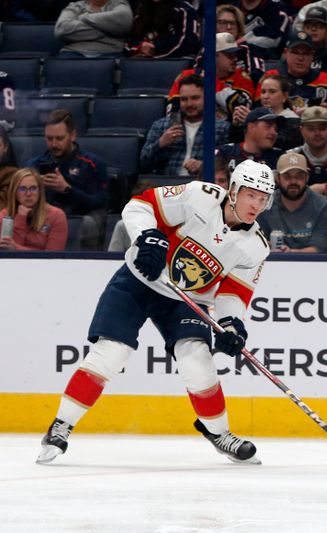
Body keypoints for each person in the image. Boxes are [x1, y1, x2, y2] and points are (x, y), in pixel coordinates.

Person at [37, 159, 275, 465]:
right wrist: (146, 237)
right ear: (233, 190)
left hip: (186, 300)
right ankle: (60, 426)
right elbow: (139, 206)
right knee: (111, 353)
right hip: (139, 279)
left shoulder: (256, 246)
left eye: (262, 198)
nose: (255, 204)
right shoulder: (198, 195)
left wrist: (231, 325)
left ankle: (220, 434)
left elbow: (234, 292)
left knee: (197, 360)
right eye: (250, 194)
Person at [25, 109, 109, 250]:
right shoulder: (34, 165)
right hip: (42, 219)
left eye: (59, 138)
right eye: (49, 139)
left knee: (89, 223)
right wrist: (34, 187)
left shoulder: (92, 163)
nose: (53, 144)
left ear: (72, 136)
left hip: (78, 217)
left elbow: (99, 203)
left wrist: (67, 189)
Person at [140, 74, 231, 177]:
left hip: (201, 186)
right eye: (184, 99)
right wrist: (160, 143)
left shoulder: (222, 128)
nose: (189, 104)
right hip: (167, 187)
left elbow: (229, 165)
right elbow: (143, 163)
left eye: (195, 98)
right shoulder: (161, 126)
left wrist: (205, 166)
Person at [167, 32, 257, 124]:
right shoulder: (186, 76)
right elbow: (174, 111)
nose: (235, 59)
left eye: (235, 54)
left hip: (226, 132)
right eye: (229, 55)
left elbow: (240, 108)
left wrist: (209, 80)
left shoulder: (242, 77)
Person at [256, 151, 327, 253]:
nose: (293, 181)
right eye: (287, 176)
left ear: (307, 178)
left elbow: (319, 248)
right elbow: (255, 243)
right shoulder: (264, 204)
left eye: (299, 176)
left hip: (312, 266)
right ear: (278, 179)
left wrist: (290, 254)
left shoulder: (323, 206)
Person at [256, 31, 327, 111]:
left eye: (306, 53)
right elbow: (256, 109)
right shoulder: (270, 77)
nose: (300, 58)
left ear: (312, 55)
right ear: (286, 53)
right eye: (295, 52)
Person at [0, 167, 67, 251]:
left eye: (33, 188)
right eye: (22, 189)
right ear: (14, 192)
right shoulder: (4, 216)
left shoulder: (56, 216)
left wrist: (17, 248)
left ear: (40, 191)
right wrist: (21, 218)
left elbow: (53, 257)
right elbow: (10, 255)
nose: (28, 194)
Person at [54, 0, 133, 58]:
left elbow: (124, 22)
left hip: (110, 53)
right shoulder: (74, 7)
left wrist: (84, 17)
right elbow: (62, 30)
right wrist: (109, 29)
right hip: (73, 51)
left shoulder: (119, 4)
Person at [124, 0, 201, 59]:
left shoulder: (184, 10)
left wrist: (154, 48)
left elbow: (187, 43)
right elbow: (129, 43)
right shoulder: (141, 9)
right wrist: (140, 46)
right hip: (141, 63)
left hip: (174, 64)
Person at [216, 107, 283, 171]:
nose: (274, 132)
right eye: (268, 126)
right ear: (251, 127)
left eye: (276, 129)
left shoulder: (279, 158)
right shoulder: (223, 153)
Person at [225, 0, 291, 59]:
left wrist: (243, 41)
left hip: (269, 61)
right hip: (233, 57)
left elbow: (276, 38)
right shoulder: (231, 7)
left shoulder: (275, 6)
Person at [253, 74, 302, 150]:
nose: (266, 96)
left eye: (272, 92)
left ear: (285, 96)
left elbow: (281, 145)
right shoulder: (254, 117)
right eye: (263, 92)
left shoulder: (293, 120)